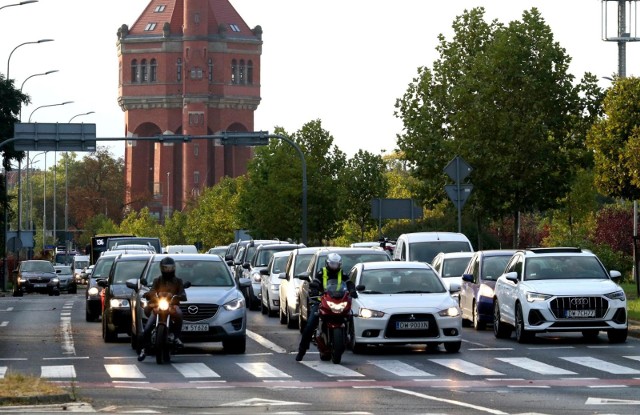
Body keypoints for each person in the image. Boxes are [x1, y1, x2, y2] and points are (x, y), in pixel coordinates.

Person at [295, 253, 357, 361]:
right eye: (332, 264)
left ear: (340, 264)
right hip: (321, 302)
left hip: (338, 301)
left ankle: (351, 339)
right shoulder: (321, 272)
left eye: (336, 264)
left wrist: (352, 290)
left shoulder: (342, 273)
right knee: (310, 325)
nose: (334, 266)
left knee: (351, 315)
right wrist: (314, 288)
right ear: (327, 263)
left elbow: (348, 282)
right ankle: (302, 350)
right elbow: (316, 281)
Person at [137, 256, 187, 361]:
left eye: (170, 268)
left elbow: (183, 293)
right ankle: (144, 349)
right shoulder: (157, 280)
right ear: (161, 268)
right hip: (159, 306)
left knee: (179, 314)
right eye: (165, 268)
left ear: (174, 268)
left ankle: (176, 337)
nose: (168, 270)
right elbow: (152, 290)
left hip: (172, 306)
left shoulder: (178, 281)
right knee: (147, 329)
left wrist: (180, 296)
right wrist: (148, 294)